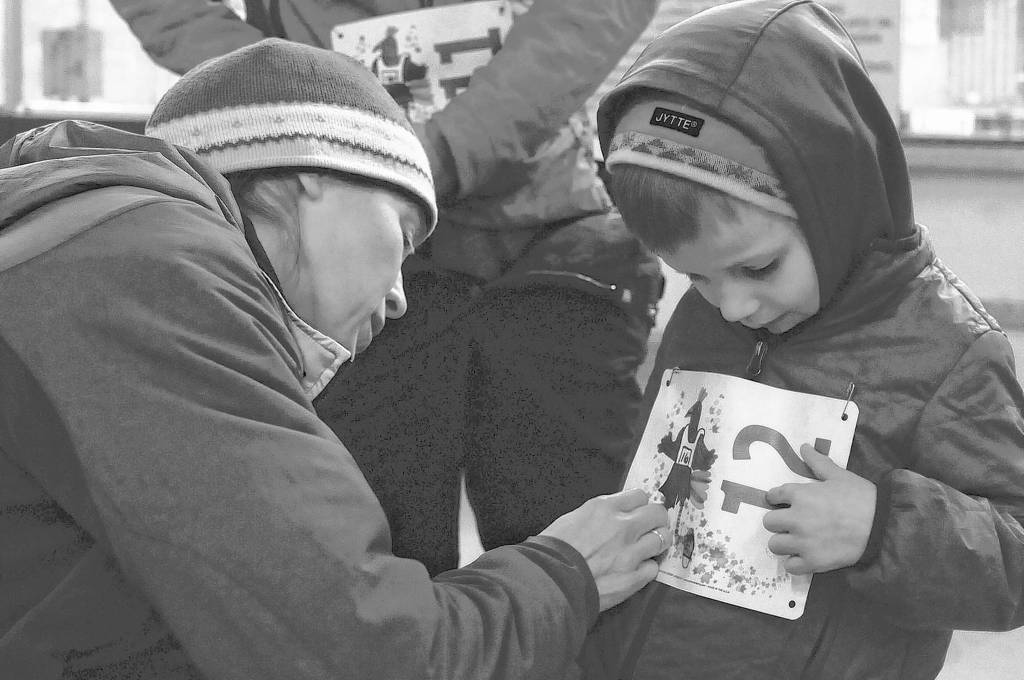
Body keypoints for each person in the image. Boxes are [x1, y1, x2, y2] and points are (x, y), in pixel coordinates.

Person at [0, 39, 670, 679]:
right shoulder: (153, 275)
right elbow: (370, 654)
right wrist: (567, 574)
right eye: (404, 238)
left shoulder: (85, 242)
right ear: (315, 171)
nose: (402, 298)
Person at [109, 0, 665, 576]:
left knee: (587, 536)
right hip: (335, 203)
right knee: (364, 541)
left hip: (540, 224)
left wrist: (416, 148)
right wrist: (288, 94)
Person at [581, 1, 1024, 679]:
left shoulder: (953, 351)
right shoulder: (711, 317)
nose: (734, 304)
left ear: (834, 202)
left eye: (758, 267)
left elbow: (1014, 557)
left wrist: (882, 528)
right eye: (694, 276)